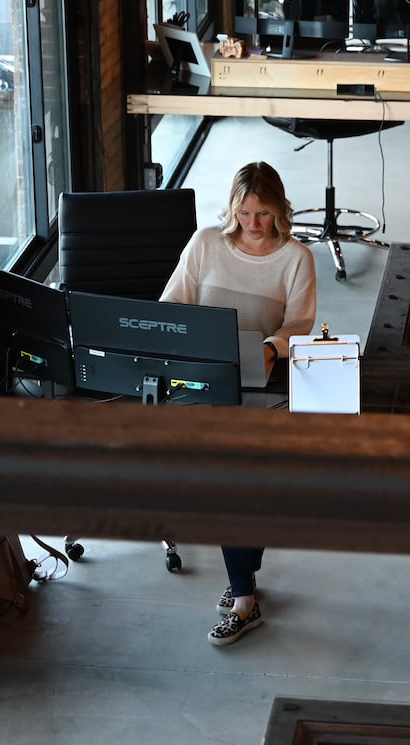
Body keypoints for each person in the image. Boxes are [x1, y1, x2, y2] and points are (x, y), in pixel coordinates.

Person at [160, 161, 317, 646]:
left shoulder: (296, 258)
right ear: (233, 209)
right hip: (203, 380)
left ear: (279, 212)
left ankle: (244, 597)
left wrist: (271, 347)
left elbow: (300, 326)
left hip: (261, 382)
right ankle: (244, 586)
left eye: (263, 214)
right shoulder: (206, 243)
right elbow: (171, 305)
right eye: (245, 212)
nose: (253, 224)